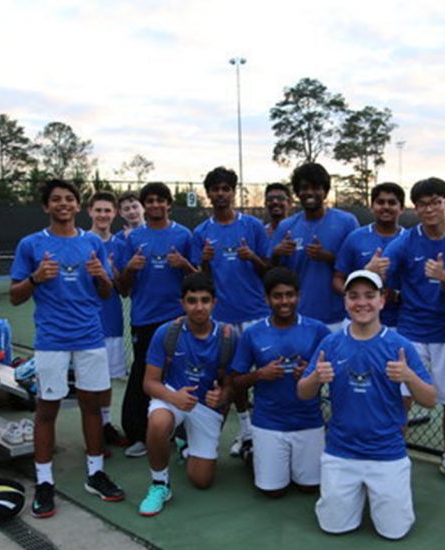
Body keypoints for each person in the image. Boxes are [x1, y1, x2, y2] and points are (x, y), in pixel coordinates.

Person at [10, 179, 125, 518]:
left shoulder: (92, 242)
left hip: (91, 337)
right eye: (56, 200)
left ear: (78, 206)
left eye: (69, 199)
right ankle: (45, 482)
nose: (63, 204)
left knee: (93, 407)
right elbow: (15, 296)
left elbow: (105, 293)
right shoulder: (31, 244)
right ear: (47, 207)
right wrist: (35, 278)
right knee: (48, 409)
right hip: (52, 340)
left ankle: (95, 473)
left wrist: (101, 276)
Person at [298, 270, 436, 540]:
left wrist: (408, 377)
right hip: (341, 451)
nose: (362, 303)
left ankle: (374, 494)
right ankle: (353, 494)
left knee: (394, 532)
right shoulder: (331, 342)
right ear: (345, 302)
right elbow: (303, 392)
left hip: (386, 452)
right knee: (333, 526)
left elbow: (430, 399)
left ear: (382, 301)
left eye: (370, 296)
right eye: (354, 296)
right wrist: (315, 377)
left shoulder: (399, 345)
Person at [384, 178, 445, 484]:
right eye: (423, 203)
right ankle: (395, 454)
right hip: (411, 331)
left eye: (436, 201)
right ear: (416, 208)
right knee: (402, 397)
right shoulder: (405, 242)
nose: (430, 209)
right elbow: (384, 278)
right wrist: (379, 278)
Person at [137, 272, 236, 516]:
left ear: (214, 303)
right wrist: (174, 398)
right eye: (192, 301)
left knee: (201, 481)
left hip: (206, 407)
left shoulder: (228, 337)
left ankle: (184, 441)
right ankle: (160, 484)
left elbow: (233, 384)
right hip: (173, 395)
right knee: (159, 422)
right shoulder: (166, 332)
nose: (199, 307)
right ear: (182, 303)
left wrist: (222, 396)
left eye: (204, 300)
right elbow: (149, 383)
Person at [191, 167, 270, 459]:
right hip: (222, 317)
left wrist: (253, 257)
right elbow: (201, 280)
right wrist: (205, 262)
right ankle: (245, 431)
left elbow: (269, 270)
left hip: (255, 314)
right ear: (208, 194)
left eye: (226, 188)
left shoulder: (253, 227)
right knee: (231, 377)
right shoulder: (201, 233)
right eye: (215, 189)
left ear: (233, 192)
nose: (221, 194)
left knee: (262, 374)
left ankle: (264, 431)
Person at [229, 267, 330, 496]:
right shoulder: (253, 333)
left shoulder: (318, 330)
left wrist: (312, 373)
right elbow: (235, 381)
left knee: (309, 488)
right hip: (269, 422)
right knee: (273, 492)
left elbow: (334, 371)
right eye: (277, 296)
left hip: (308, 421)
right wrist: (259, 375)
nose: (284, 301)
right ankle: (251, 452)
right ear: (267, 298)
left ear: (298, 296)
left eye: (290, 295)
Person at [117, 182, 195, 459]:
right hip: (144, 320)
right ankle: (139, 434)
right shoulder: (132, 238)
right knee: (143, 374)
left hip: (177, 319)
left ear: (169, 204)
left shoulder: (184, 235)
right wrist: (129, 268)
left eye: (160, 200)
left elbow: (198, 279)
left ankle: (184, 436)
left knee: (180, 374)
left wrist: (184, 265)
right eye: (149, 201)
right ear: (144, 205)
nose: (155, 205)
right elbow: (123, 287)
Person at [270, 163, 359, 331]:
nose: (310, 192)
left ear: (325, 191)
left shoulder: (347, 222)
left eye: (316, 187)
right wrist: (276, 253)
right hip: (299, 317)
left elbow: (357, 268)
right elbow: (271, 272)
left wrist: (328, 257)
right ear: (297, 193)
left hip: (338, 317)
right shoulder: (286, 226)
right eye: (304, 188)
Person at [86, 191, 130, 450]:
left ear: (115, 213)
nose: (103, 215)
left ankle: (104, 425)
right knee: (88, 380)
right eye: (98, 210)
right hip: (86, 323)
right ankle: (92, 431)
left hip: (111, 320)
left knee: (107, 379)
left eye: (108, 210)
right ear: (90, 211)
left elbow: (123, 289)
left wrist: (112, 272)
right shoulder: (81, 241)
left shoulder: (120, 245)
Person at [332, 182, 406, 328]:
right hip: (356, 321)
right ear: (372, 207)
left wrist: (397, 295)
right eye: (380, 202)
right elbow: (337, 278)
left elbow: (419, 285)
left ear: (401, 208)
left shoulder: (410, 240)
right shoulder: (355, 237)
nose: (385, 207)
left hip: (397, 324)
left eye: (392, 203)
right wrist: (355, 293)